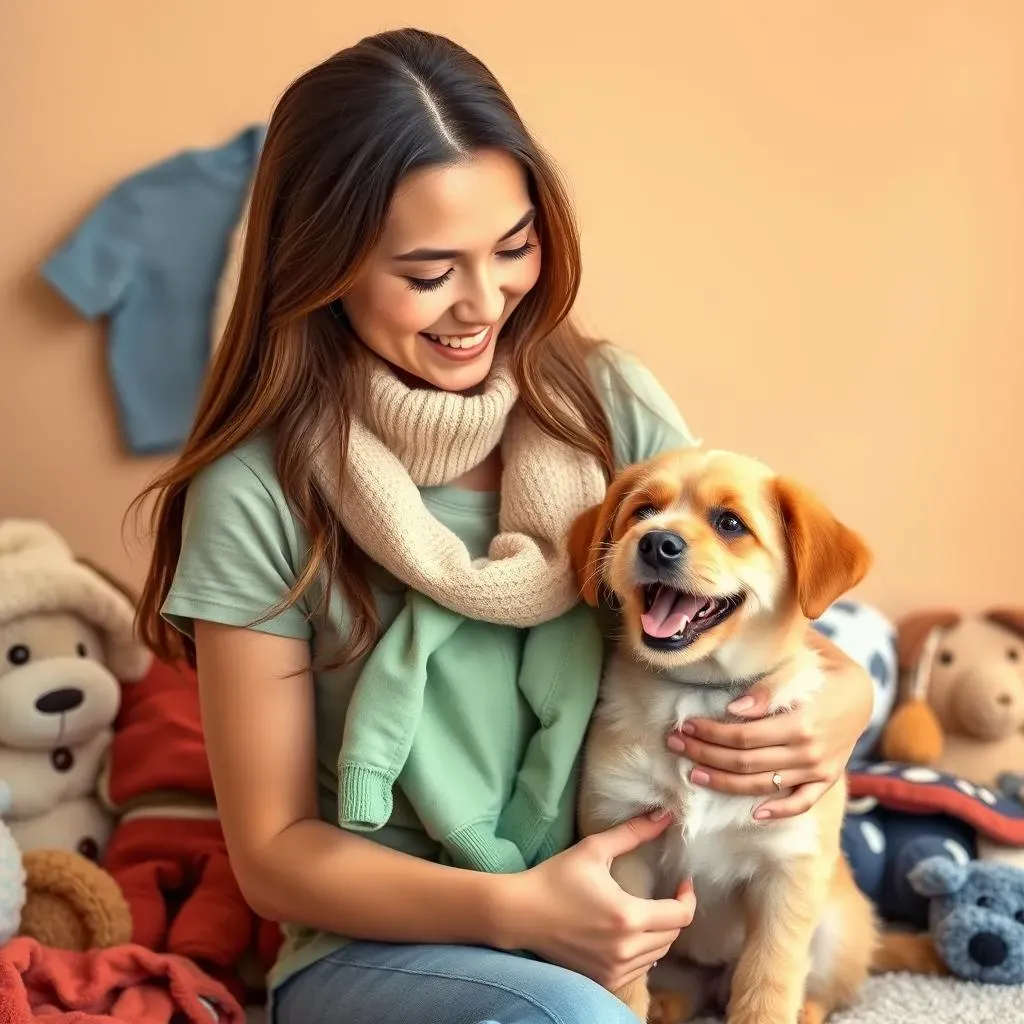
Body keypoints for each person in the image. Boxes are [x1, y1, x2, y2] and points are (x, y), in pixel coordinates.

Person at [134, 27, 874, 1024]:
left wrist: (848, 693)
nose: (482, 304)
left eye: (513, 247)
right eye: (428, 270)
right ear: (321, 265)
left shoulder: (601, 401)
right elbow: (272, 859)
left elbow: (745, 592)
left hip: (620, 912)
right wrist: (517, 910)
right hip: (385, 948)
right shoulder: (258, 489)